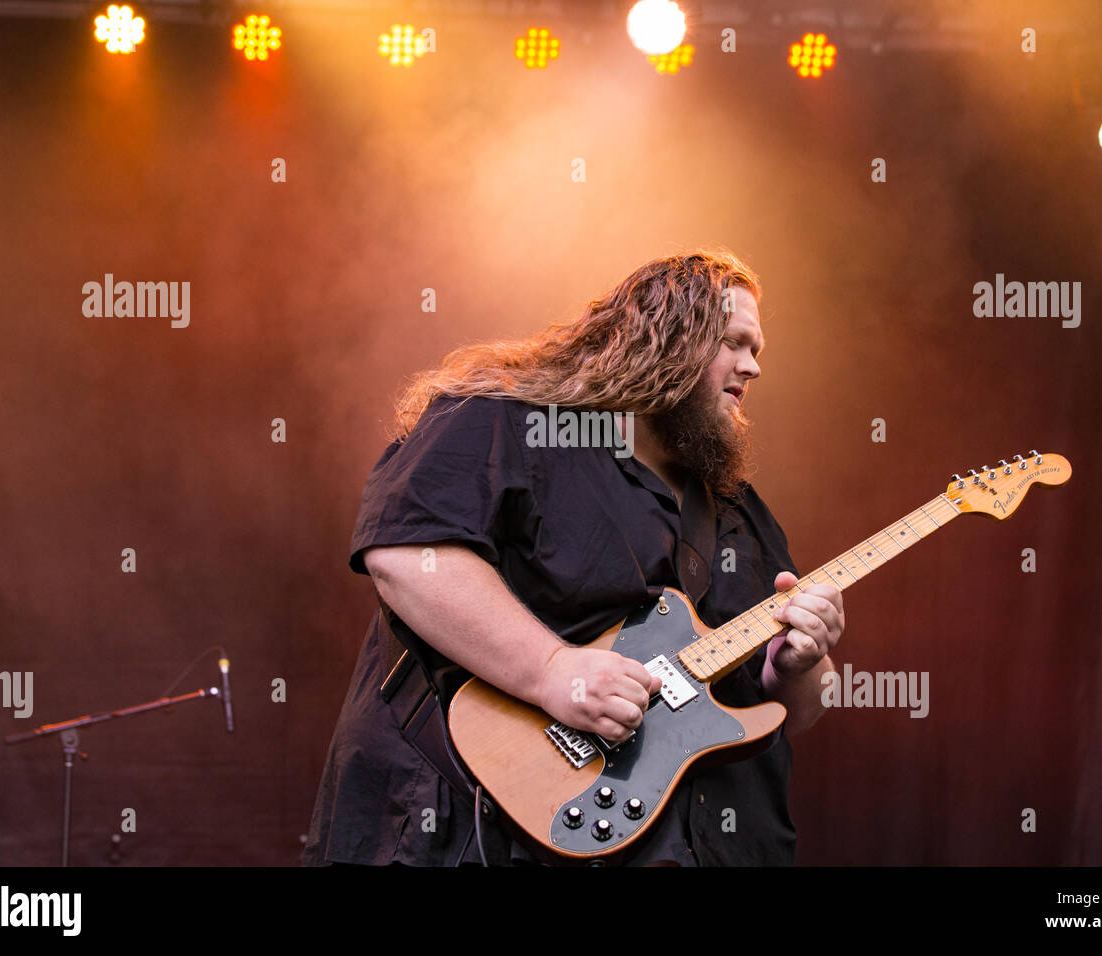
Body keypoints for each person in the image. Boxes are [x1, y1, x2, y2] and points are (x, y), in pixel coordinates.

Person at [302, 249, 845, 867]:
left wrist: (799, 666)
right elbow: (409, 555)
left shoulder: (738, 510)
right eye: (736, 343)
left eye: (759, 351)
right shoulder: (504, 419)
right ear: (668, 337)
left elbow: (785, 712)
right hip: (475, 831)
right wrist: (552, 669)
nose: (753, 367)